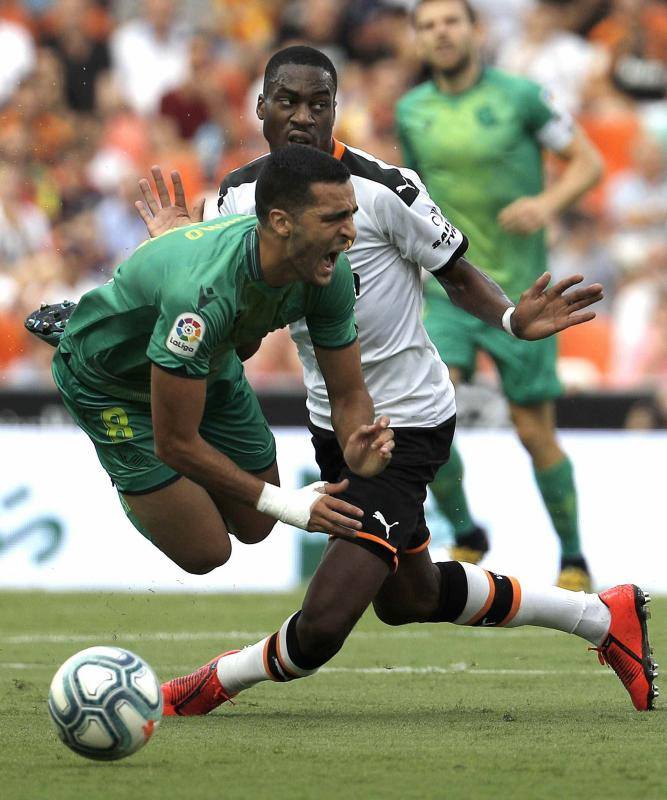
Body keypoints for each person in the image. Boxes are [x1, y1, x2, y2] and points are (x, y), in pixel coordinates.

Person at [129, 47, 656, 713]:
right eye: (287, 101)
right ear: (259, 108)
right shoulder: (234, 198)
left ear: (336, 110)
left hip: (403, 424)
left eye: (319, 103)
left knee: (321, 626)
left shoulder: (381, 189)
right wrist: (183, 248)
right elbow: (231, 307)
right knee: (410, 598)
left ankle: (203, 688)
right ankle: (602, 618)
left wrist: (510, 318)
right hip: (333, 426)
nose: (302, 116)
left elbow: (457, 273)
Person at [37, 145, 397, 575]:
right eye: (333, 219)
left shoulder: (329, 271)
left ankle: (131, 316)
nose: (350, 233)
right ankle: (94, 341)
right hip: (107, 382)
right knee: (207, 551)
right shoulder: (201, 296)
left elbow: (348, 391)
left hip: (207, 359)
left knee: (257, 523)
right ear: (281, 222)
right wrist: (287, 504)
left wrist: (358, 445)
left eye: (351, 214)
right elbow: (175, 442)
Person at [396, 0, 605, 590]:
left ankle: (574, 559)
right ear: (417, 39)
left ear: (475, 30)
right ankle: (466, 531)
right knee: (420, 412)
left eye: (451, 21)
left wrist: (546, 205)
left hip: (527, 295)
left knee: (533, 430)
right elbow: (411, 193)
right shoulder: (412, 110)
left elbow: (586, 163)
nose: (440, 33)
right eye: (427, 25)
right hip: (451, 291)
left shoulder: (522, 96)